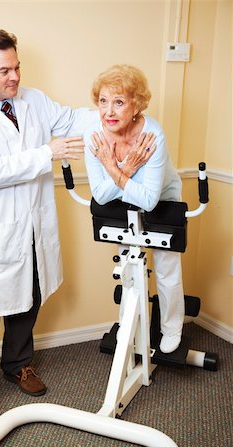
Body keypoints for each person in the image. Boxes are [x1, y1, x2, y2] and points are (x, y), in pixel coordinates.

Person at [0, 29, 97, 428]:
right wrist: (47, 152)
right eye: (4, 71)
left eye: (16, 67)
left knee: (28, 298)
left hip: (33, 224)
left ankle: (18, 365)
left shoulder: (31, 99)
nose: (14, 77)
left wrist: (111, 108)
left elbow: (70, 118)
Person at [84, 64, 185, 355]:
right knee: (129, 263)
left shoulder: (152, 134)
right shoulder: (94, 132)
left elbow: (151, 200)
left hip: (163, 198)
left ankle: (171, 327)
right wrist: (126, 170)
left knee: (167, 266)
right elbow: (101, 196)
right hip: (123, 199)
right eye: (103, 101)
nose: (108, 111)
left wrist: (113, 170)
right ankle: (129, 326)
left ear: (136, 105)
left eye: (118, 102)